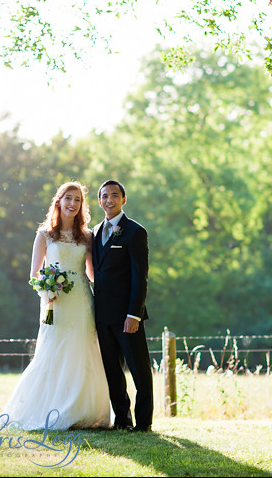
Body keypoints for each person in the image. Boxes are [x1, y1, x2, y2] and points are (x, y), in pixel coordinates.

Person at [0, 181, 111, 430]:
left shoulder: (87, 237)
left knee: (82, 351)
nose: (72, 204)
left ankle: (83, 412)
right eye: (68, 198)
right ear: (59, 201)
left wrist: (112, 286)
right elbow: (34, 274)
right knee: (53, 351)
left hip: (81, 301)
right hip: (54, 303)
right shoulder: (45, 234)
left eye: (77, 200)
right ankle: (50, 409)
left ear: (82, 206)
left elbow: (91, 274)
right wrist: (47, 291)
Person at [92, 179, 153, 432]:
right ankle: (122, 419)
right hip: (102, 315)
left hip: (127, 316)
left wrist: (134, 314)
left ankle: (144, 423)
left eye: (114, 195)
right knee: (113, 373)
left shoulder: (135, 232)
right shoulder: (95, 231)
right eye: (104, 196)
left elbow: (140, 277)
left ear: (123, 199)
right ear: (99, 201)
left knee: (139, 371)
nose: (109, 200)